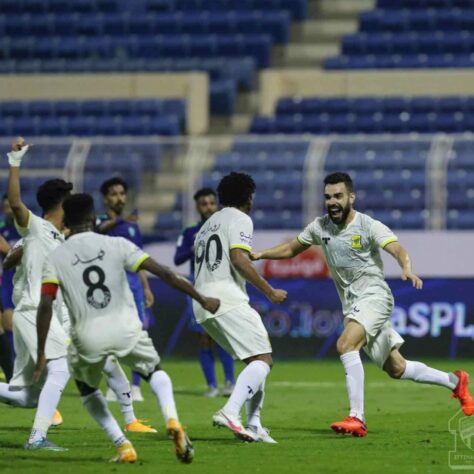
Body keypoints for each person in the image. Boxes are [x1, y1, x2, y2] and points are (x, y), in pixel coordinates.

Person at [251, 171, 474, 437]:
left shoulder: (368, 225)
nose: (332, 202)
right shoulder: (320, 227)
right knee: (397, 368)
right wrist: (262, 253)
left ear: (351, 197)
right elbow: (291, 248)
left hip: (375, 297)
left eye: (338, 196)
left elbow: (397, 248)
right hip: (353, 304)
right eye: (328, 197)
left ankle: (357, 417)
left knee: (346, 345)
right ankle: (455, 382)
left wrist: (406, 268)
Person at [34, 193, 220, 463]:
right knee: (153, 370)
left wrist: (41, 351)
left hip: (88, 336)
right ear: (92, 217)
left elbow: (46, 303)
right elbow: (166, 273)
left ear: (65, 220)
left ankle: (123, 445)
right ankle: (172, 419)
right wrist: (202, 299)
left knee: (86, 388)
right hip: (126, 328)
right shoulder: (118, 244)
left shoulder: (55, 257)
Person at [0, 138, 155, 452]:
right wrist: (15, 161)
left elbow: (10, 258)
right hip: (32, 312)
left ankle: (124, 418)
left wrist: (16, 256)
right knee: (60, 368)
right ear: (61, 204)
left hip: (53, 317)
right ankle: (37, 439)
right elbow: (16, 206)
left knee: (29, 396)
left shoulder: (58, 236)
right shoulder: (38, 227)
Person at [193, 172, 287, 443]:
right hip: (227, 299)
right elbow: (239, 259)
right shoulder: (240, 218)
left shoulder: (209, 224)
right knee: (263, 360)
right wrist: (269, 291)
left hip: (203, 303)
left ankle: (254, 424)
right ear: (248, 197)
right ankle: (230, 411)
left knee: (255, 360)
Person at [174, 188, 235, 397]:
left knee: (223, 335)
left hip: (221, 285)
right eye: (204, 204)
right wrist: (193, 247)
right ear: (198, 207)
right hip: (198, 288)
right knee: (203, 337)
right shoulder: (190, 232)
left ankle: (229, 382)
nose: (208, 207)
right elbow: (177, 259)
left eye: (211, 203)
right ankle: (211, 385)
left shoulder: (224, 229)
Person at [97, 177, 153, 402]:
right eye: (113, 193)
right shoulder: (99, 222)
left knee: (138, 334)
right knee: (110, 337)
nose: (119, 197)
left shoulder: (132, 226)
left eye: (122, 193)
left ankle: (136, 386)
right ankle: (116, 385)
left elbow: (138, 259)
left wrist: (146, 286)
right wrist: (120, 221)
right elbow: (98, 230)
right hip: (108, 287)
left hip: (133, 286)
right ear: (105, 198)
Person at [0, 193, 21, 381]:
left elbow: (6, 250)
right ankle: (12, 375)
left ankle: (14, 375)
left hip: (22, 282)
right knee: (5, 326)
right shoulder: (3, 229)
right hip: (7, 283)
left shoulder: (26, 229)